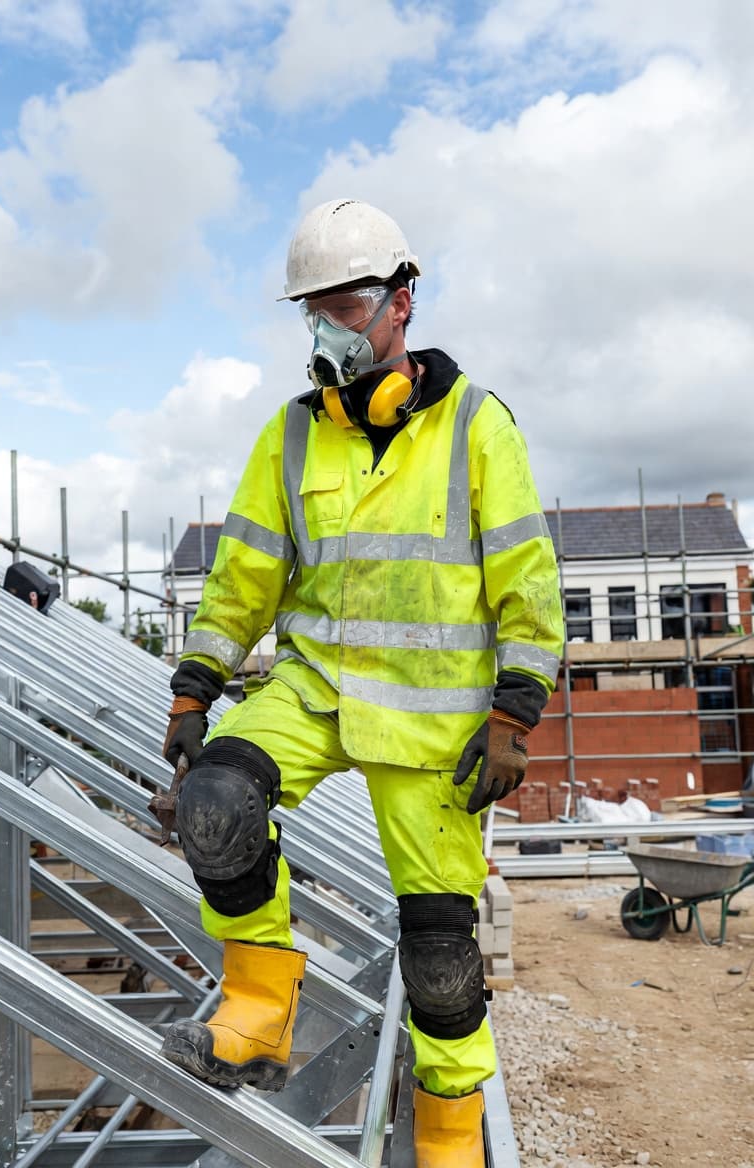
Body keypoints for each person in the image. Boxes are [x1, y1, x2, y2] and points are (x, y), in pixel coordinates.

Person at [158, 198, 564, 1166]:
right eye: (314, 309)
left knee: (439, 959)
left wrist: (514, 712)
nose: (325, 327)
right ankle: (258, 1013)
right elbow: (245, 571)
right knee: (215, 798)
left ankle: (451, 1137)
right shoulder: (292, 436)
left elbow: (526, 577)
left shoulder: (474, 424)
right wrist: (196, 682)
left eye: (345, 306)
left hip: (434, 724)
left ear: (402, 305)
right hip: (317, 690)